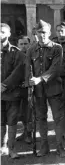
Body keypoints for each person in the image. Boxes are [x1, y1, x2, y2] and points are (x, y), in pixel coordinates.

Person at [25, 20, 65, 157]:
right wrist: (29, 84)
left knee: (58, 119)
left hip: (54, 88)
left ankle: (60, 147)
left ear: (49, 33)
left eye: (44, 32)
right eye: (39, 32)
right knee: (40, 118)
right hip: (38, 91)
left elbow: (55, 69)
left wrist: (40, 79)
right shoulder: (31, 49)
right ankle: (44, 147)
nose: (42, 35)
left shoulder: (57, 48)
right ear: (36, 33)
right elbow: (28, 69)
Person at [1, 23, 25, 159]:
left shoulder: (17, 53)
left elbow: (18, 71)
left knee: (12, 122)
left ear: (9, 34)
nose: (0, 35)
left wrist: (4, 85)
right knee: (0, 122)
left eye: (3, 32)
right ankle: (1, 146)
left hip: (12, 94)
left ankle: (12, 149)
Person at [16, 36, 32, 144]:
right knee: (21, 112)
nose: (23, 46)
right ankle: (25, 132)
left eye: (25, 43)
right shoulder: (15, 56)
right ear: (17, 45)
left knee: (29, 112)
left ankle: (29, 134)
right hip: (18, 88)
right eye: (21, 44)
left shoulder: (32, 55)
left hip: (30, 88)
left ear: (29, 44)